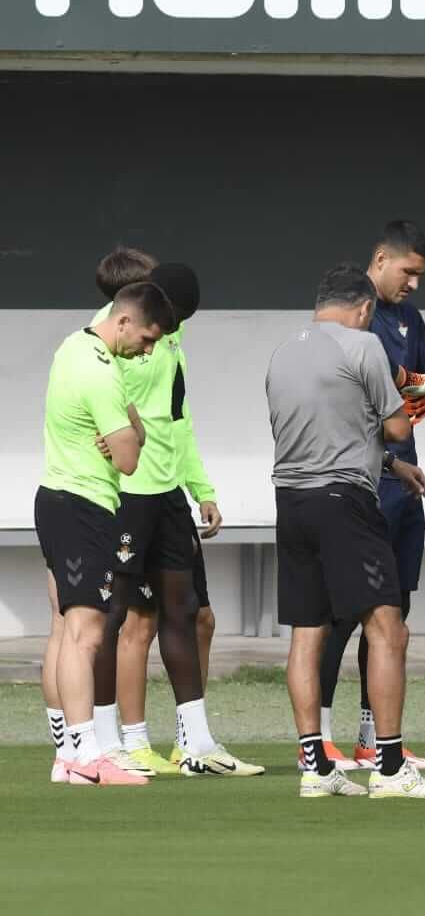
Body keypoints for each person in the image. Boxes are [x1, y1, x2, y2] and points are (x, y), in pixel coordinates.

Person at [267, 265, 425, 799]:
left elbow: (323, 427)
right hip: (345, 501)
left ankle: (315, 769)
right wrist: (416, 399)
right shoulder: (365, 345)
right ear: (365, 308)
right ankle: (390, 768)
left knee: (307, 632)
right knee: (389, 628)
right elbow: (396, 426)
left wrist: (391, 467)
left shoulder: (283, 352)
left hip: (291, 499)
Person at [91, 264, 261, 778]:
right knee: (113, 617)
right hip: (124, 493)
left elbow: (178, 424)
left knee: (183, 610)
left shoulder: (170, 341)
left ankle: (196, 746)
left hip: (167, 495)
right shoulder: (107, 336)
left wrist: (201, 489)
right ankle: (112, 742)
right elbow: (96, 405)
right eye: (166, 322)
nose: (166, 333)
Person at [317, 222, 425, 774]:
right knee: (336, 616)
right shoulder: (347, 318)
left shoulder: (409, 318)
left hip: (403, 485)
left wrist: (406, 387)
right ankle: (319, 737)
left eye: (420, 275)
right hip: (355, 485)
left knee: (394, 617)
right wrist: (402, 388)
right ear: (380, 258)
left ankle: (374, 739)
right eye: (408, 272)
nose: (414, 285)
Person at [37, 281, 175, 785]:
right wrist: (131, 431)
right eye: (147, 338)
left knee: (65, 630)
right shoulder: (102, 374)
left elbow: (123, 443)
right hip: (83, 507)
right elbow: (132, 459)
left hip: (55, 500)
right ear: (123, 322)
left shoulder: (72, 345)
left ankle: (67, 754)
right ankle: (83, 755)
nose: (148, 349)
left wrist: (125, 430)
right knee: (86, 633)